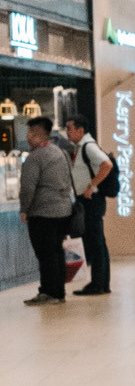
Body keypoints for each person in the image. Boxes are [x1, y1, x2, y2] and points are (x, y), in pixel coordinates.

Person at [16, 119, 76, 304]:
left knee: (45, 253)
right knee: (56, 252)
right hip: (63, 210)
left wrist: (24, 209)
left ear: (34, 133)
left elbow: (27, 188)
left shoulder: (35, 157)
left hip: (42, 212)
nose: (27, 137)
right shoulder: (60, 152)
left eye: (30, 132)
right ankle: (58, 292)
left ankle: (48, 292)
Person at [63, 118, 117, 294]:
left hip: (91, 200)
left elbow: (106, 164)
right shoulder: (81, 147)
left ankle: (98, 284)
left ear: (80, 130)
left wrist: (92, 185)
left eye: (69, 128)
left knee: (96, 241)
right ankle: (100, 282)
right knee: (97, 241)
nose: (67, 132)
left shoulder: (88, 146)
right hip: (88, 200)